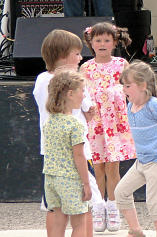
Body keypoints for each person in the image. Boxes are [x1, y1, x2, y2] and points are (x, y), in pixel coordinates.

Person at [33, 29, 102, 237]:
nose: (81, 58)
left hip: (52, 157)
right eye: (77, 53)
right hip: (76, 154)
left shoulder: (41, 80)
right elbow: (86, 108)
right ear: (63, 55)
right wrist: (88, 111)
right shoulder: (72, 83)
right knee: (86, 205)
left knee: (55, 208)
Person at [80, 22, 136, 233]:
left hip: (115, 121)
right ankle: (98, 207)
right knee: (97, 165)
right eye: (98, 40)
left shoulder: (122, 64)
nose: (102, 44)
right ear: (91, 43)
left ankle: (113, 206)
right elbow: (81, 93)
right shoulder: (86, 67)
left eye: (106, 40)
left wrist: (118, 91)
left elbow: (131, 87)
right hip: (94, 121)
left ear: (114, 43)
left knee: (113, 165)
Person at [115, 61, 157, 237]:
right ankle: (135, 230)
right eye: (123, 86)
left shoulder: (154, 105)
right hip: (141, 162)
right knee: (121, 192)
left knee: (153, 201)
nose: (124, 90)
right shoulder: (130, 106)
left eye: (128, 86)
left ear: (142, 86)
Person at [42, 70, 92, 237]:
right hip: (70, 179)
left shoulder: (50, 121)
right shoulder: (74, 124)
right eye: (82, 91)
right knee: (79, 224)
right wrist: (86, 183)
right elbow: (79, 156)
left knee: (58, 221)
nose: (84, 95)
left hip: (51, 178)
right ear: (70, 94)